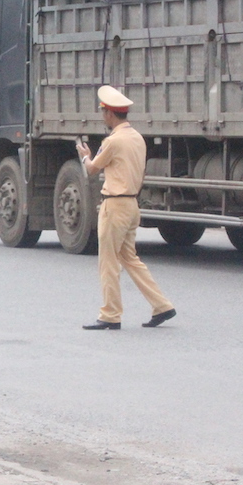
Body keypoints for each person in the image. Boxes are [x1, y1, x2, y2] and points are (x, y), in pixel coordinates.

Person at [75, 86, 177, 330]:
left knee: (108, 261)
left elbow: (91, 169)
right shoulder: (137, 138)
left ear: (110, 114)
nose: (103, 117)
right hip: (132, 204)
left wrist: (84, 156)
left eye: (103, 112)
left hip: (115, 204)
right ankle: (162, 305)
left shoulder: (113, 141)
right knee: (130, 258)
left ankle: (111, 314)